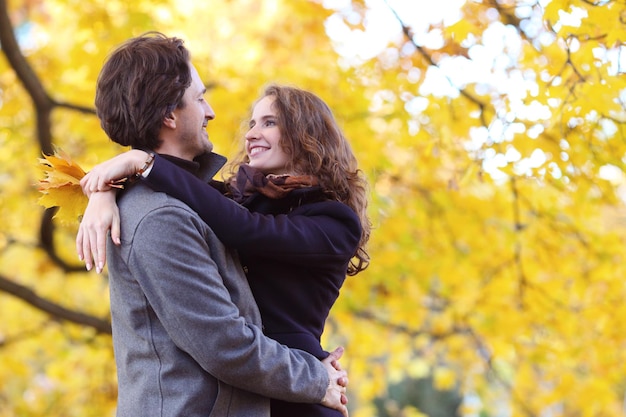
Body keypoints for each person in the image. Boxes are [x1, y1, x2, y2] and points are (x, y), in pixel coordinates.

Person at [78, 32, 350, 417]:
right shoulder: (162, 216)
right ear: (170, 115)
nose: (211, 112)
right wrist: (316, 379)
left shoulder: (197, 203)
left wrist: (109, 184)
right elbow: (226, 345)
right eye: (201, 98)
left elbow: (236, 218)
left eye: (270, 123)